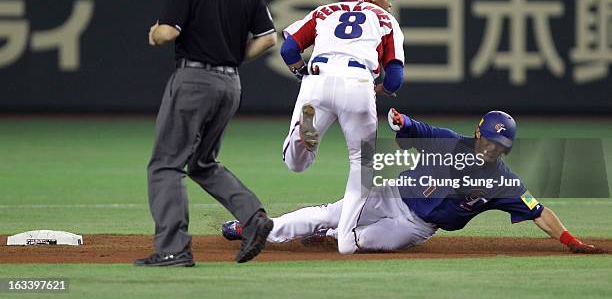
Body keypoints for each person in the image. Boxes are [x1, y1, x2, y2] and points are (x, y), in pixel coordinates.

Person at [221, 109, 604, 255]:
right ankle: (253, 227)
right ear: (477, 132)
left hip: (415, 226)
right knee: (330, 214)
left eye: (500, 145)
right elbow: (413, 128)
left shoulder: (502, 181)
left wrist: (569, 240)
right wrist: (400, 123)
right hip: (388, 194)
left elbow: (539, 212)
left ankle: (329, 238)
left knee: (357, 241)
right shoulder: (448, 141)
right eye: (488, 140)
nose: (491, 149)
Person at [135, 0, 277, 267]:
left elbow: (168, 33)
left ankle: (172, 249)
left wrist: (154, 33)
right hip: (230, 83)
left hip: (194, 80)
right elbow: (269, 38)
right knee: (202, 162)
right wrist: (232, 59)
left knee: (166, 165)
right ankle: (253, 216)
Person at [276, 0, 405, 254]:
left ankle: (301, 137)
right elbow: (395, 78)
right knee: (363, 167)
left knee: (296, 165)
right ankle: (346, 239)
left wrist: (301, 72)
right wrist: (378, 89)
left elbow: (288, 48)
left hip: (317, 80)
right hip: (358, 83)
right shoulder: (386, 21)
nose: (390, 4)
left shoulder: (323, 11)